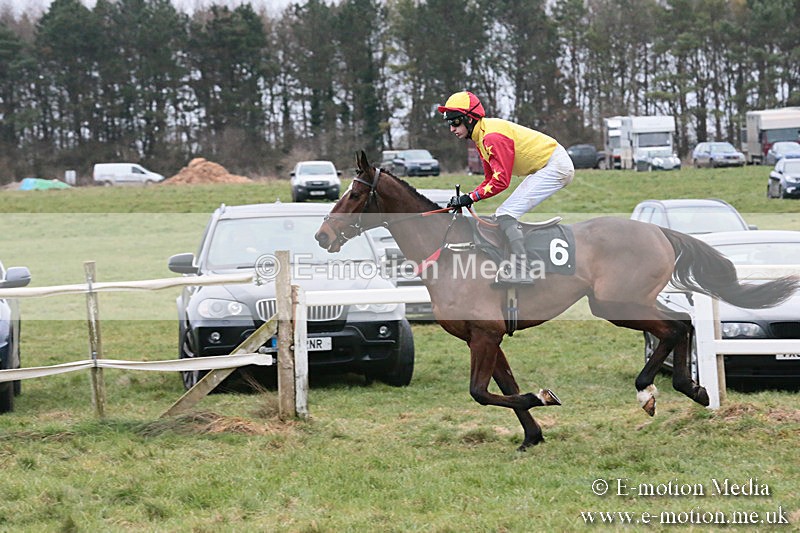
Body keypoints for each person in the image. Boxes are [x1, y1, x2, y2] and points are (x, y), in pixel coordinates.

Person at [437, 90, 574, 284]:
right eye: (449, 123)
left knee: (505, 213)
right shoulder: (480, 138)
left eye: (455, 122)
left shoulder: (491, 137)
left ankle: (522, 269)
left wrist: (472, 198)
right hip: (547, 165)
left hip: (555, 166)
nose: (451, 128)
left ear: (469, 119)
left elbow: (501, 181)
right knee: (503, 213)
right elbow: (489, 179)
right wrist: (466, 197)